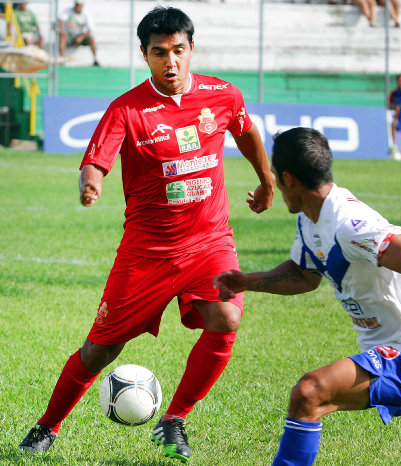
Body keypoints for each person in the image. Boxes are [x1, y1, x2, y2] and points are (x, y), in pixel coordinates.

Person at [19, 6, 275, 462]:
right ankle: (47, 426)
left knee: (227, 319)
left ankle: (173, 420)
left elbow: (246, 131)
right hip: (147, 252)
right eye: (160, 53)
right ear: (145, 54)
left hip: (210, 242)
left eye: (178, 51)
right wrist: (91, 183)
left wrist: (267, 178)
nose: (170, 62)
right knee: (100, 350)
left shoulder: (222, 95)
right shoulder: (127, 108)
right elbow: (96, 159)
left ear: (191, 48)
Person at [214, 127, 401, 466]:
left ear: (288, 178)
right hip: (386, 348)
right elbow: (304, 275)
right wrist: (246, 281)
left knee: (309, 393)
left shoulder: (351, 224)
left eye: (273, 174)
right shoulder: (310, 219)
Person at [59, 0, 99, 66]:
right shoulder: (68, 11)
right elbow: (61, 19)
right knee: (62, 37)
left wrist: (81, 37)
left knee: (92, 39)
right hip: (70, 36)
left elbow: (90, 29)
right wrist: (61, 31)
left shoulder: (87, 14)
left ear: (82, 6)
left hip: (81, 35)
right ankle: (62, 60)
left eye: (79, 5)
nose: (77, 6)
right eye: (76, 4)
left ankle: (95, 59)